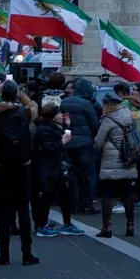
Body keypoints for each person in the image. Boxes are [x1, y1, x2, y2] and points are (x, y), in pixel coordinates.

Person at [0, 80, 40, 266]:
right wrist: (20, 92)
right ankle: (27, 253)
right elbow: (33, 104)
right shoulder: (24, 112)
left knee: (3, 211)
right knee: (23, 210)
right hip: (23, 165)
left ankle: (4, 254)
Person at [30, 94, 81, 237]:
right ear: (52, 116)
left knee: (63, 196)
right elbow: (48, 149)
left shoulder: (50, 126)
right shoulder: (44, 129)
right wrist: (62, 142)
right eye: (58, 113)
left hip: (54, 168)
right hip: (47, 169)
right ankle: (42, 225)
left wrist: (68, 126)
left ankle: (66, 223)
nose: (61, 115)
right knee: (48, 197)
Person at [93, 88, 140, 238]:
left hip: (112, 161)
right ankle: (130, 226)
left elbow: (98, 142)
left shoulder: (108, 119)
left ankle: (107, 227)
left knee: (108, 195)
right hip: (128, 160)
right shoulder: (129, 115)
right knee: (127, 195)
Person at [60, 77, 99, 211]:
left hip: (69, 140)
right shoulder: (86, 104)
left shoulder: (64, 101)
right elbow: (94, 124)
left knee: (72, 173)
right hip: (84, 142)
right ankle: (86, 203)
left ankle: (73, 202)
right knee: (85, 173)